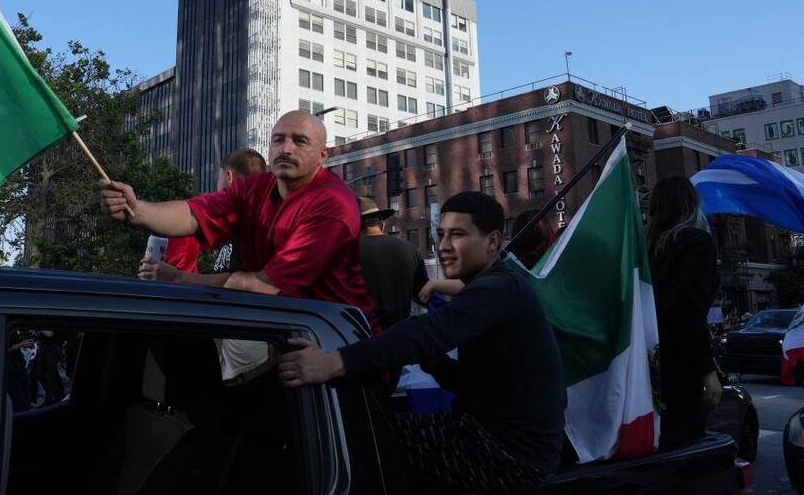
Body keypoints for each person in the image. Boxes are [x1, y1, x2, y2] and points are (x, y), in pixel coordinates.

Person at [277, 192, 565, 494]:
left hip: (510, 455)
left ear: (493, 241)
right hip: (500, 441)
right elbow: (474, 383)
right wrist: (435, 363)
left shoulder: (499, 288)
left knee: (365, 435)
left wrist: (332, 363)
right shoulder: (495, 287)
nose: (443, 246)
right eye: (441, 235)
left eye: (457, 235)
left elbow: (426, 331)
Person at [100, 111, 379, 332]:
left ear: (322, 156)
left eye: (300, 141)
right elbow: (192, 214)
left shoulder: (332, 204)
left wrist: (180, 278)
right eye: (278, 139)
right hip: (279, 330)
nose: (286, 148)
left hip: (335, 338)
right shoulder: (254, 188)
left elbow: (258, 286)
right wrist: (136, 210)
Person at [646, 176, 722, 450]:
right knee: (684, 444)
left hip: (646, 363)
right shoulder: (696, 241)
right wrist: (707, 370)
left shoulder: (643, 247)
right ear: (691, 204)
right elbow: (688, 310)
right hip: (681, 365)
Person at [138, 148, 268, 280]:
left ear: (229, 178)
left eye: (219, 178)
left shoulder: (250, 225)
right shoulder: (249, 220)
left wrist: (177, 276)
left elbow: (233, 282)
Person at [356, 196, 429, 330]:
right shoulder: (410, 249)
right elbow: (424, 295)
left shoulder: (347, 253)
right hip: (399, 334)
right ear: (382, 224)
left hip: (361, 333)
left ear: (355, 226)